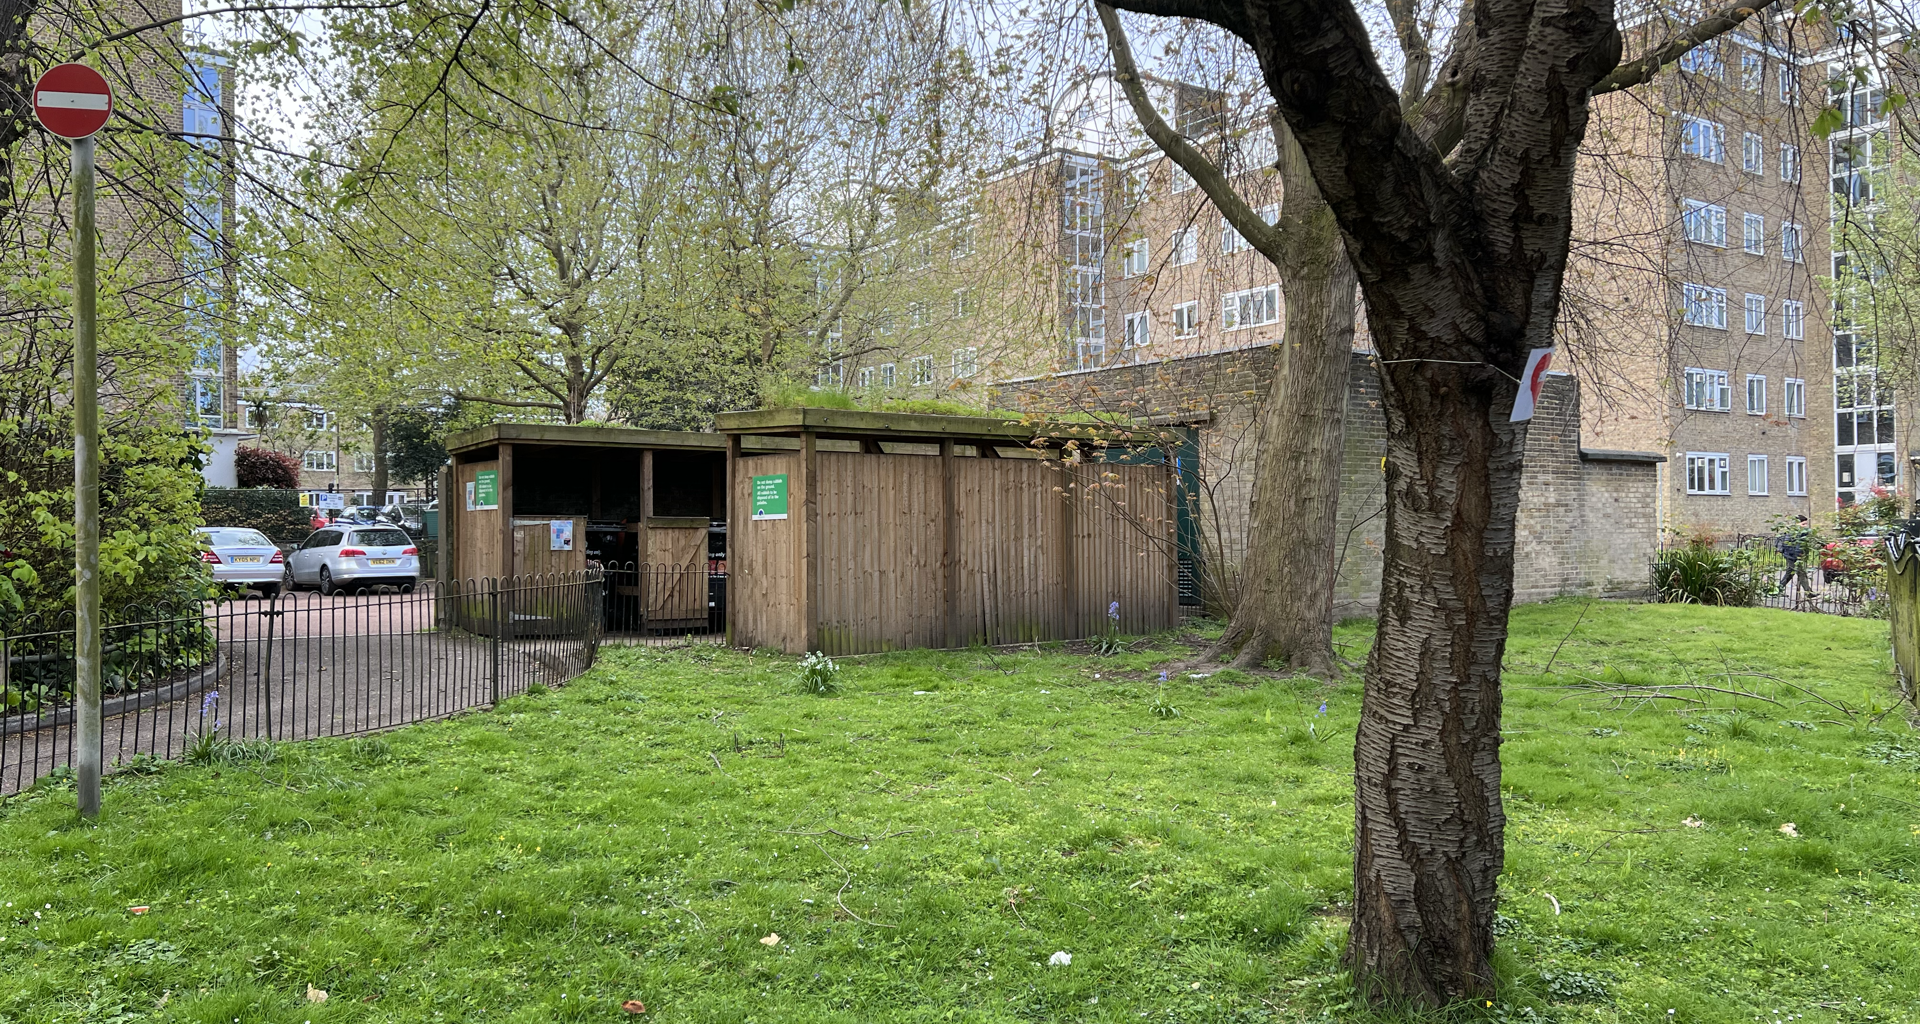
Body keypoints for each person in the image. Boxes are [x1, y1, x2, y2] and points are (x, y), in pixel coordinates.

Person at [1777, 515, 1814, 602]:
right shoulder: (1792, 532)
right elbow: (1790, 545)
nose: (1805, 526)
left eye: (1806, 524)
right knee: (1801, 572)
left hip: (1794, 556)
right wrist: (1798, 555)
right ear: (1797, 523)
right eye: (1803, 524)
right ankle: (1808, 592)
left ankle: (1778, 590)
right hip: (1791, 556)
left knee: (1790, 573)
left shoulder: (1802, 532)